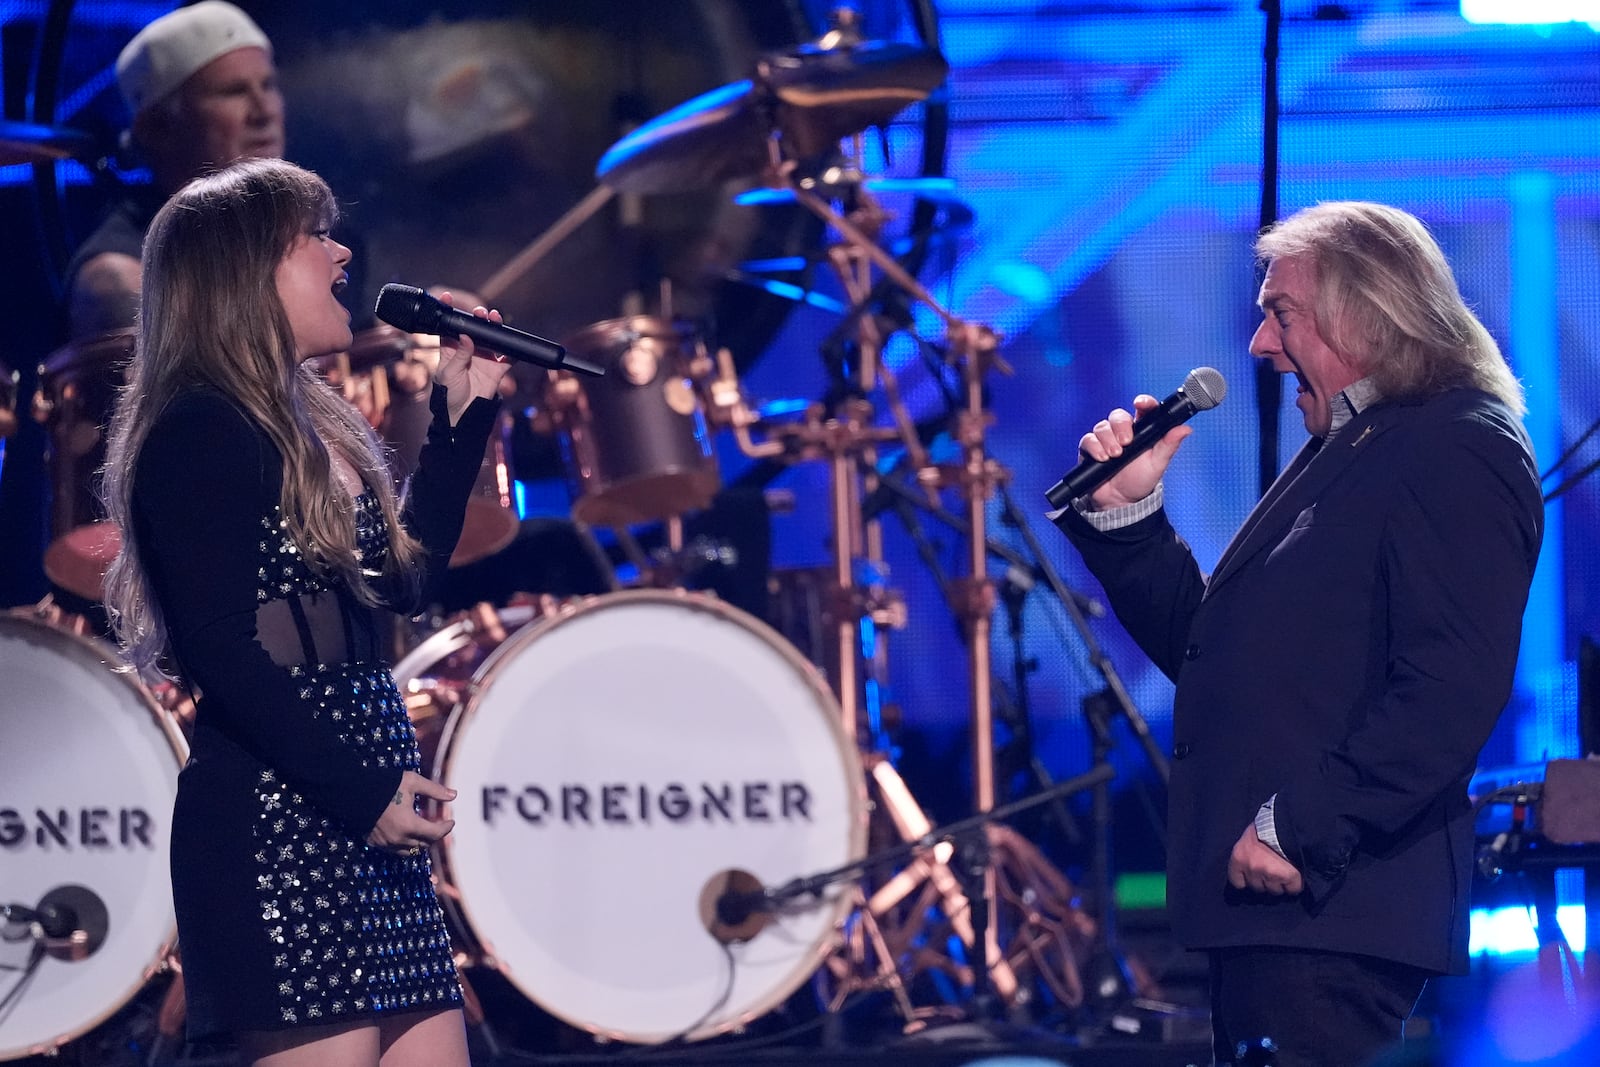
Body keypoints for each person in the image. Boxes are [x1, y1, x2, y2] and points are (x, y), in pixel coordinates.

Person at [1052, 202, 1543, 1066]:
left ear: (1367, 311)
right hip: (1279, 913)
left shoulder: (1456, 445)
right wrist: (1128, 512)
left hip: (1329, 904)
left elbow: (1448, 689)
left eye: (1281, 313)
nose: (1258, 346)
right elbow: (1221, 660)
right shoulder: (1355, 448)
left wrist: (1300, 829)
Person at [99, 157, 510, 1066]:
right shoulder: (200, 426)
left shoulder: (317, 420)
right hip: (281, 820)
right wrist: (361, 793)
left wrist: (460, 423)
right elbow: (220, 651)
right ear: (245, 271)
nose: (341, 252)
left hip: (369, 805)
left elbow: (398, 582)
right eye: (313, 235)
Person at [66, 1, 284, 340]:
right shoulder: (124, 278)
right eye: (234, 91)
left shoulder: (319, 239)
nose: (264, 111)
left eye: (268, 85)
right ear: (158, 127)